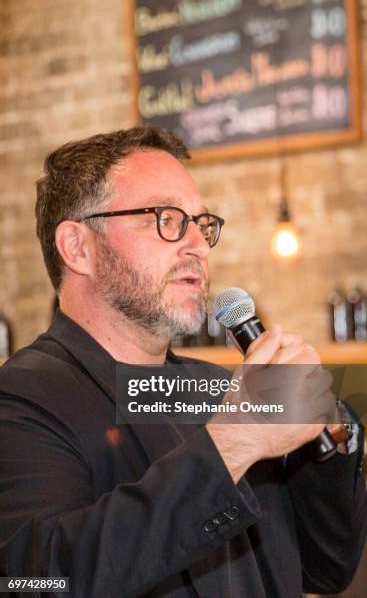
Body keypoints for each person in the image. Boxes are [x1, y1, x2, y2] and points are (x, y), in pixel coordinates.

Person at [0, 126, 365, 598]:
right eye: (167, 218)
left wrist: (330, 431)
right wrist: (236, 441)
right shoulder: (23, 399)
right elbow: (36, 582)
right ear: (78, 247)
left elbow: (327, 568)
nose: (197, 244)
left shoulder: (219, 388)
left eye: (201, 223)